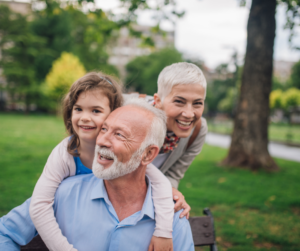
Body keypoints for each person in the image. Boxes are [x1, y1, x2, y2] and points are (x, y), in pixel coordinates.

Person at [0, 99, 194, 251]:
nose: (102, 141)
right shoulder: (64, 194)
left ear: (148, 154)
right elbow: (4, 233)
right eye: (104, 129)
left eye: (119, 134)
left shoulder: (172, 219)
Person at [29, 73, 175, 251]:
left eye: (95, 111)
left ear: (114, 113)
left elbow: (161, 184)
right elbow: (39, 205)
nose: (84, 117)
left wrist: (163, 232)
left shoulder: (127, 156)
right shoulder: (65, 152)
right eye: (78, 109)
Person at [152, 62, 208, 218]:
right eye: (179, 101)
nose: (189, 114)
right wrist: (163, 188)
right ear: (158, 101)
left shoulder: (198, 130)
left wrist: (171, 192)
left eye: (197, 103)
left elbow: (173, 174)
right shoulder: (132, 119)